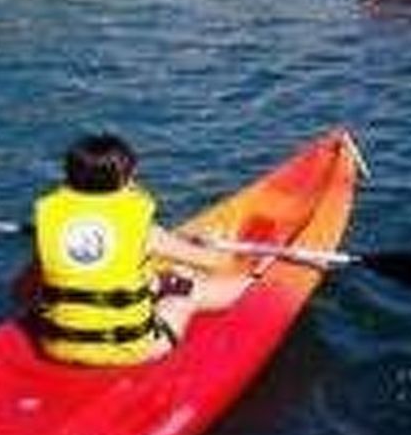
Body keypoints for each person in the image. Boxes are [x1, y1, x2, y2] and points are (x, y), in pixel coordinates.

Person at [24, 133, 246, 366]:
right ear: (125, 180)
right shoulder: (145, 231)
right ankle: (256, 287)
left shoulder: (54, 224)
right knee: (186, 295)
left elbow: (23, 291)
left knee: (161, 278)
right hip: (131, 350)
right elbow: (217, 262)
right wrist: (213, 241)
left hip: (56, 347)